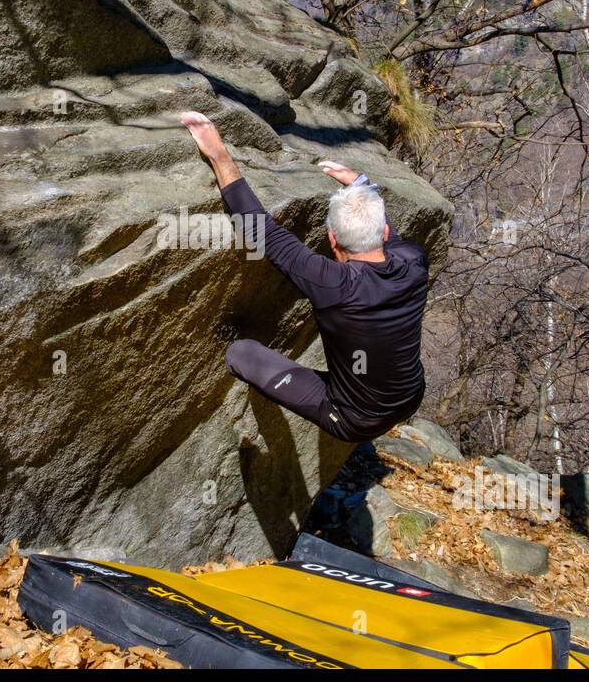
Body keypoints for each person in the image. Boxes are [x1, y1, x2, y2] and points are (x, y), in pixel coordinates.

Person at [179, 110, 430, 443]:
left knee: (240, 354)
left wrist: (219, 155)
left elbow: (260, 230)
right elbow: (390, 236)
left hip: (353, 420)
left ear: (332, 240)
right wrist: (359, 185)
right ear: (383, 232)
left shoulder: (334, 285)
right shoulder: (414, 262)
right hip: (410, 396)